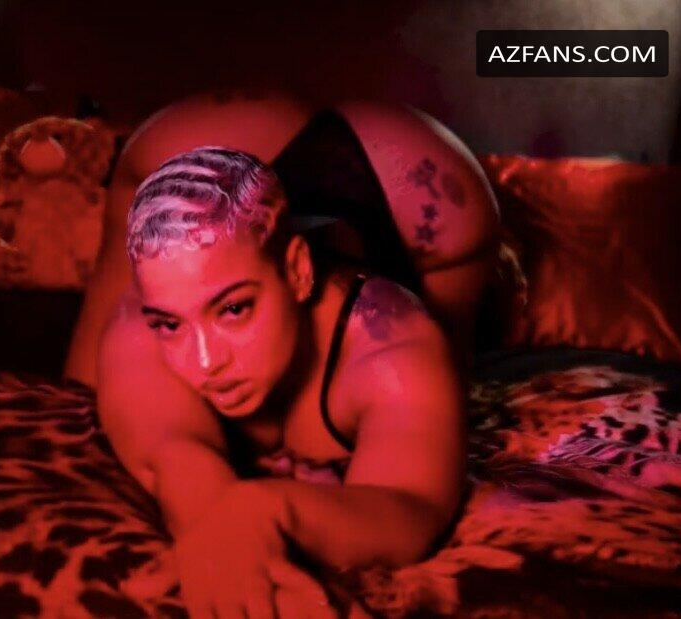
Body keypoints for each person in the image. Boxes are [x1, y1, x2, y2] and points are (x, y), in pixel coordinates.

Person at [91, 96, 500, 619]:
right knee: (80, 389)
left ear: (299, 271)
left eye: (234, 309)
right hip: (196, 141)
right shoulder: (141, 319)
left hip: (415, 186)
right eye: (170, 325)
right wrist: (223, 520)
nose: (205, 362)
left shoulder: (394, 343)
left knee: (448, 396)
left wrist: (270, 509)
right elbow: (176, 459)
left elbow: (415, 505)